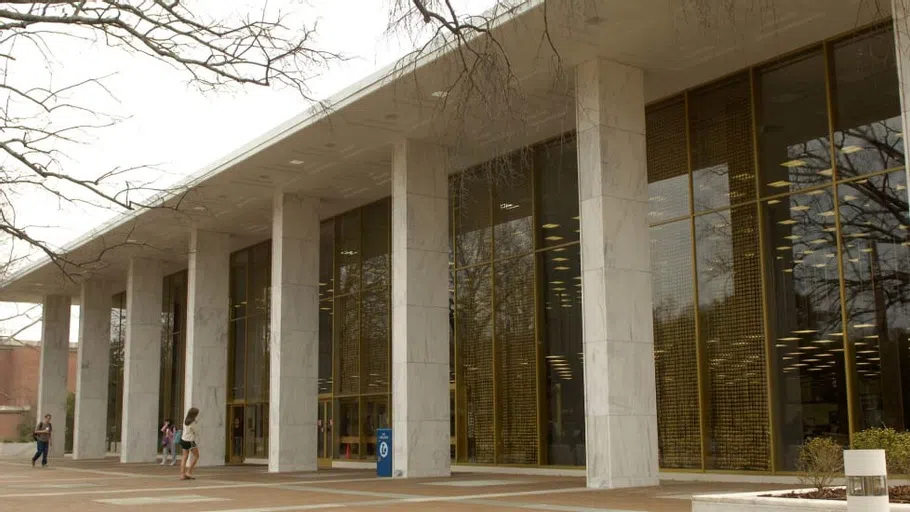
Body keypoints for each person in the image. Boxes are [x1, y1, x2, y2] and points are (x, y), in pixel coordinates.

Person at [179, 407, 200, 480]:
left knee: (184, 457)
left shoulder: (186, 420)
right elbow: (196, 432)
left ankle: (182, 474)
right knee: (196, 456)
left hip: (183, 439)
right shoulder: (193, 422)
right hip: (190, 441)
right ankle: (189, 472)